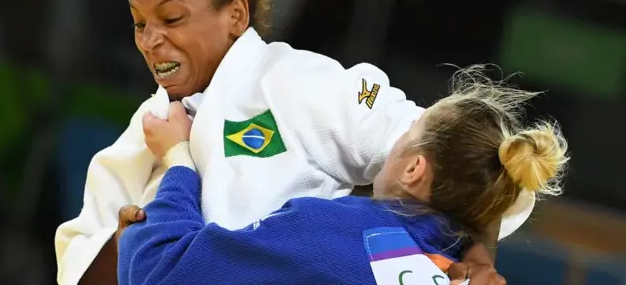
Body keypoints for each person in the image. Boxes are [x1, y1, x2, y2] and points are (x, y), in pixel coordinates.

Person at [54, 0, 532, 284]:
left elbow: (471, 159)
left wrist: (478, 252)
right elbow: (79, 259)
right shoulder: (148, 131)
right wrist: (122, 248)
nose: (151, 39)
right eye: (140, 23)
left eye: (172, 18)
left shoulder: (308, 84)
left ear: (235, 16)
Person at [116, 66, 569, 285]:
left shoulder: (334, 238)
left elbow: (164, 272)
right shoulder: (457, 272)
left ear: (414, 168)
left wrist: (176, 158)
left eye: (409, 130)